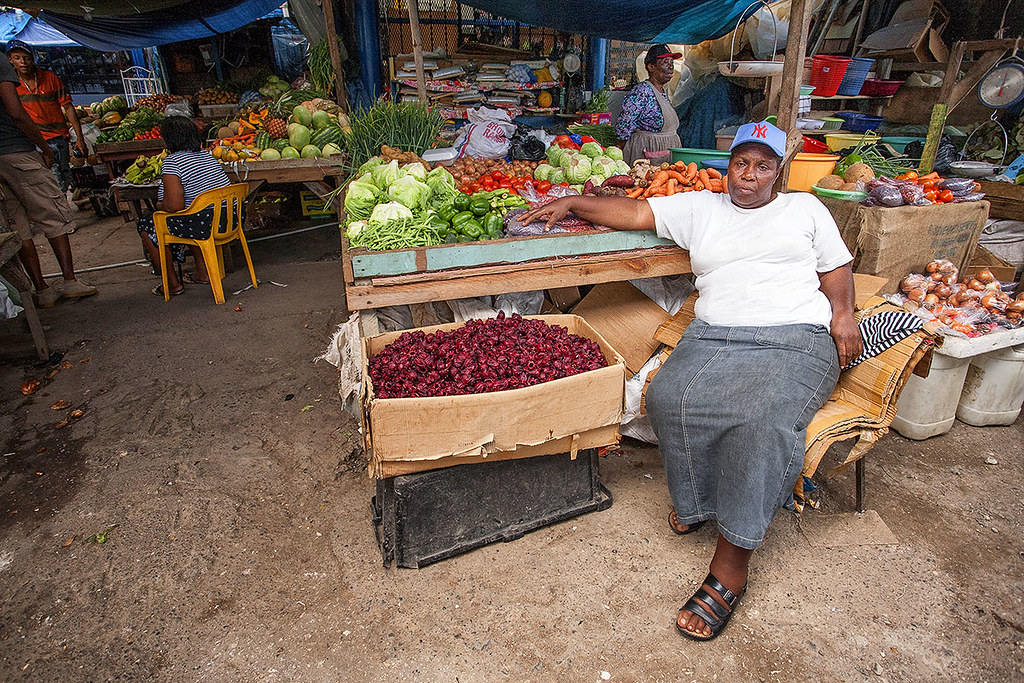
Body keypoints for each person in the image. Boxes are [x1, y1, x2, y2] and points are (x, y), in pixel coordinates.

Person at [520, 120, 863, 641]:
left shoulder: (806, 209)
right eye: (741, 163)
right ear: (730, 166)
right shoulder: (702, 207)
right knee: (667, 398)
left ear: (779, 172)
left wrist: (843, 316)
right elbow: (636, 211)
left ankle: (730, 567)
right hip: (714, 334)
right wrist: (572, 202)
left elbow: (836, 269)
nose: (748, 176)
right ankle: (701, 502)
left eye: (762, 166)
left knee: (762, 424)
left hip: (795, 337)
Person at [0, 45, 96, 308]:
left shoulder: (49, 78)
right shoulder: (0, 64)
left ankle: (41, 289)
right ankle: (68, 281)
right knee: (52, 213)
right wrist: (43, 147)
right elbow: (17, 114)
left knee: (17, 226)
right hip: (17, 151)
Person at [136, 116, 229, 296]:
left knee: (148, 226)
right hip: (227, 220)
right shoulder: (208, 156)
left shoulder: (173, 162)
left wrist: (159, 204)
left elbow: (174, 205)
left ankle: (171, 284)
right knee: (191, 214)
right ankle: (202, 273)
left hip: (205, 225)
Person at [6, 40, 87, 197]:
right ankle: (61, 213)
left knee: (64, 175)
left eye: (26, 58)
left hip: (59, 138)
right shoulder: (10, 85)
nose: (22, 62)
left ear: (33, 58)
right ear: (10, 60)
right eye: (17, 57)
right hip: (34, 141)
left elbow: (68, 107)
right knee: (49, 179)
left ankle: (63, 209)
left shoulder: (50, 78)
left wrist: (80, 139)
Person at [614, 44, 683, 165]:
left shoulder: (662, 91)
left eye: (671, 62)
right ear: (651, 67)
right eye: (665, 62)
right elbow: (623, 126)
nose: (671, 66)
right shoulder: (642, 91)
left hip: (665, 154)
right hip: (648, 154)